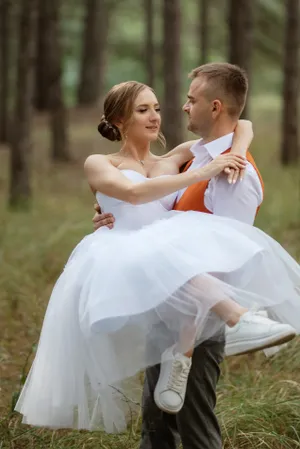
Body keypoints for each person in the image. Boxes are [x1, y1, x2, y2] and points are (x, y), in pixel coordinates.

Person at [15, 74, 300, 441]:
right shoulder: (99, 162)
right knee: (158, 245)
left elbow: (240, 124)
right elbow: (134, 196)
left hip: (169, 274)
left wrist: (237, 154)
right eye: (142, 110)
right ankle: (236, 318)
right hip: (127, 260)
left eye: (157, 108)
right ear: (119, 120)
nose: (155, 116)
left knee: (173, 413)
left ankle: (189, 353)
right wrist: (204, 171)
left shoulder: (174, 157)